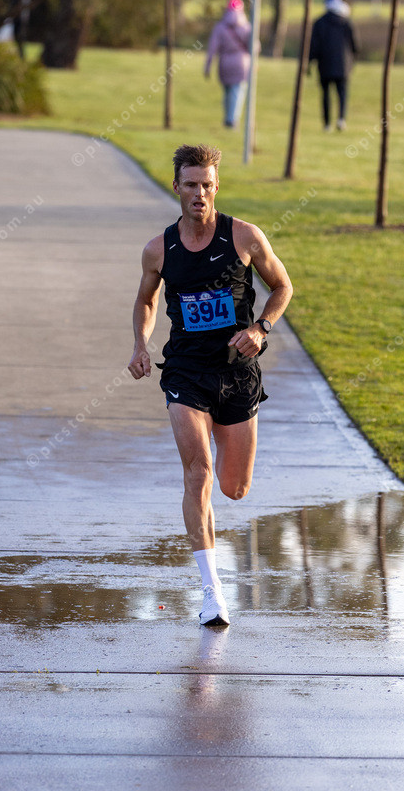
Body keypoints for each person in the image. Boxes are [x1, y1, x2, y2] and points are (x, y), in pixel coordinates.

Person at [128, 143, 293, 626]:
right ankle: (212, 592)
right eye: (191, 185)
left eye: (207, 184)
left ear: (217, 186)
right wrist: (140, 345)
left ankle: (214, 517)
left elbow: (282, 286)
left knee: (234, 487)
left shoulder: (244, 236)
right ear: (176, 187)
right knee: (197, 473)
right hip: (185, 372)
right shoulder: (158, 249)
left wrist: (261, 328)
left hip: (238, 373)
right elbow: (146, 300)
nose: (199, 193)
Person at [309, 0, 358, 132]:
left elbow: (314, 45)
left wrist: (310, 61)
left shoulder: (319, 22)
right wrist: (352, 59)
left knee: (325, 95)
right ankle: (341, 119)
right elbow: (355, 45)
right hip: (343, 65)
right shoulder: (347, 22)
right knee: (342, 93)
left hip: (324, 65)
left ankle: (327, 124)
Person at [204, 0, 251, 128]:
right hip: (242, 63)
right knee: (238, 91)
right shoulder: (247, 26)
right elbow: (254, 47)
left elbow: (212, 48)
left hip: (224, 63)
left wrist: (207, 66)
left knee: (227, 91)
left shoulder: (220, 27)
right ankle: (232, 120)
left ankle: (228, 118)